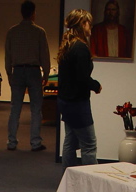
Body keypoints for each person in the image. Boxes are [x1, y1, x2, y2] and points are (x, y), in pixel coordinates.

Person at [58, 9, 102, 171]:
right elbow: (82, 77)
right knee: (89, 144)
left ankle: (68, 180)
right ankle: (91, 183)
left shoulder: (68, 45)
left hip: (65, 101)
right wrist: (96, 85)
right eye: (89, 23)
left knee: (70, 140)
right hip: (77, 103)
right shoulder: (81, 47)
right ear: (83, 24)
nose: (91, 26)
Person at [5, 1, 50, 151]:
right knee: (36, 109)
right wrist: (46, 72)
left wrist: (9, 73)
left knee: (15, 108)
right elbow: (44, 54)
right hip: (33, 71)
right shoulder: (39, 32)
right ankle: (35, 142)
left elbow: (8, 56)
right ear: (33, 13)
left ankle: (11, 142)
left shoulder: (12, 31)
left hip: (17, 71)